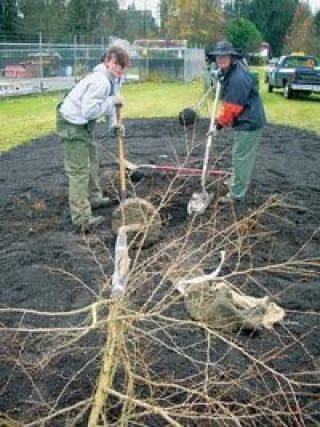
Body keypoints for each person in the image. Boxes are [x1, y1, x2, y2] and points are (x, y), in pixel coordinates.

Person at [56, 46, 130, 232]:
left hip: (83, 125)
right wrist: (111, 103)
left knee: (93, 160)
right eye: (116, 64)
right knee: (79, 171)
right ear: (107, 60)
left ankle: (94, 198)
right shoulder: (100, 81)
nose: (119, 69)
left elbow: (114, 102)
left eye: (122, 66)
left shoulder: (114, 79)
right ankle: (81, 219)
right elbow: (89, 111)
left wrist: (114, 124)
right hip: (72, 124)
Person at [208, 40, 266, 202]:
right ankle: (236, 182)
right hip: (246, 119)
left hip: (249, 121)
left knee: (241, 157)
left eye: (224, 56)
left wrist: (218, 125)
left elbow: (231, 108)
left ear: (232, 57)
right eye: (218, 57)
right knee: (238, 154)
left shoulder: (237, 78)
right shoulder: (231, 70)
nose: (221, 60)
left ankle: (236, 194)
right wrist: (219, 75)